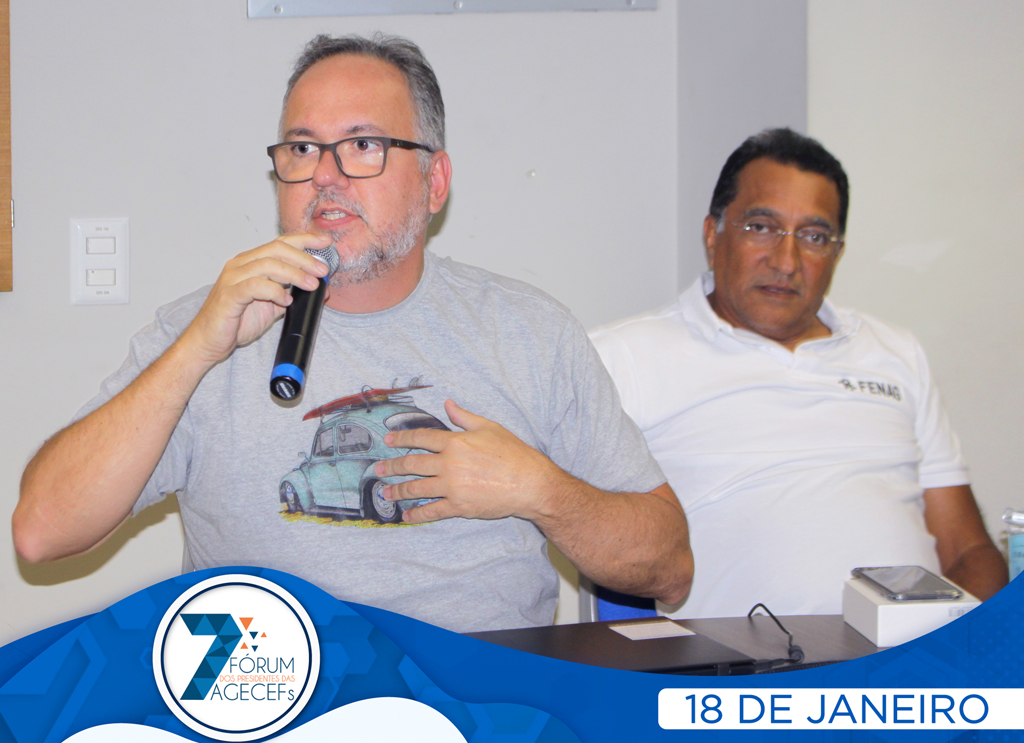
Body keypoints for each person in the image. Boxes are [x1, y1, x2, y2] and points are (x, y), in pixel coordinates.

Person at [14, 34, 693, 633]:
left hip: (475, 701)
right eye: (302, 148)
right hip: (274, 695)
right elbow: (41, 532)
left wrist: (541, 490)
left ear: (434, 182)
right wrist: (195, 351)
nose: (324, 176)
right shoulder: (205, 327)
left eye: (363, 145)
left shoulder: (529, 332)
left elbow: (669, 569)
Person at [590, 128, 1006, 619]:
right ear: (712, 235)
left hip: (912, 655)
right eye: (761, 227)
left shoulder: (895, 352)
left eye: (813, 237)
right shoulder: (623, 357)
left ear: (837, 253)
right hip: (735, 663)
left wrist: (958, 647)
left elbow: (968, 551)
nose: (786, 262)